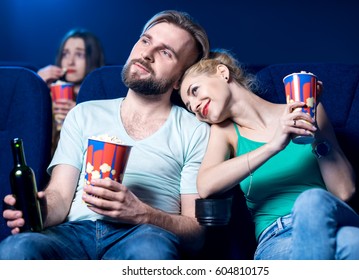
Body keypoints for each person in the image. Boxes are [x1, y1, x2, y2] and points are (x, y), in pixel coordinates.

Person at [0, 10, 210, 260]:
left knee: (150, 252)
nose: (146, 54)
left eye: (166, 52)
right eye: (146, 40)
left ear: (180, 79)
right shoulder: (83, 114)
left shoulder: (194, 130)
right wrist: (37, 211)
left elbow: (197, 234)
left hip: (144, 234)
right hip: (73, 233)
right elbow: (60, 195)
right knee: (17, 248)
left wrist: (142, 213)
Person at [178, 50, 359, 259]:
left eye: (195, 91)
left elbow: (344, 192)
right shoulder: (224, 132)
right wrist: (274, 145)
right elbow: (206, 185)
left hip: (331, 219)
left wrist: (315, 131)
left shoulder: (308, 112)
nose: (196, 107)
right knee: (357, 242)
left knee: (312, 202)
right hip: (278, 236)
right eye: (190, 108)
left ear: (222, 73)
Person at [38, 28, 105, 155]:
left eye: (79, 55)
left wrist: (80, 114)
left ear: (93, 58)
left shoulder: (103, 97)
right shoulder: (47, 91)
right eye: (65, 54)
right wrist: (34, 85)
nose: (70, 62)